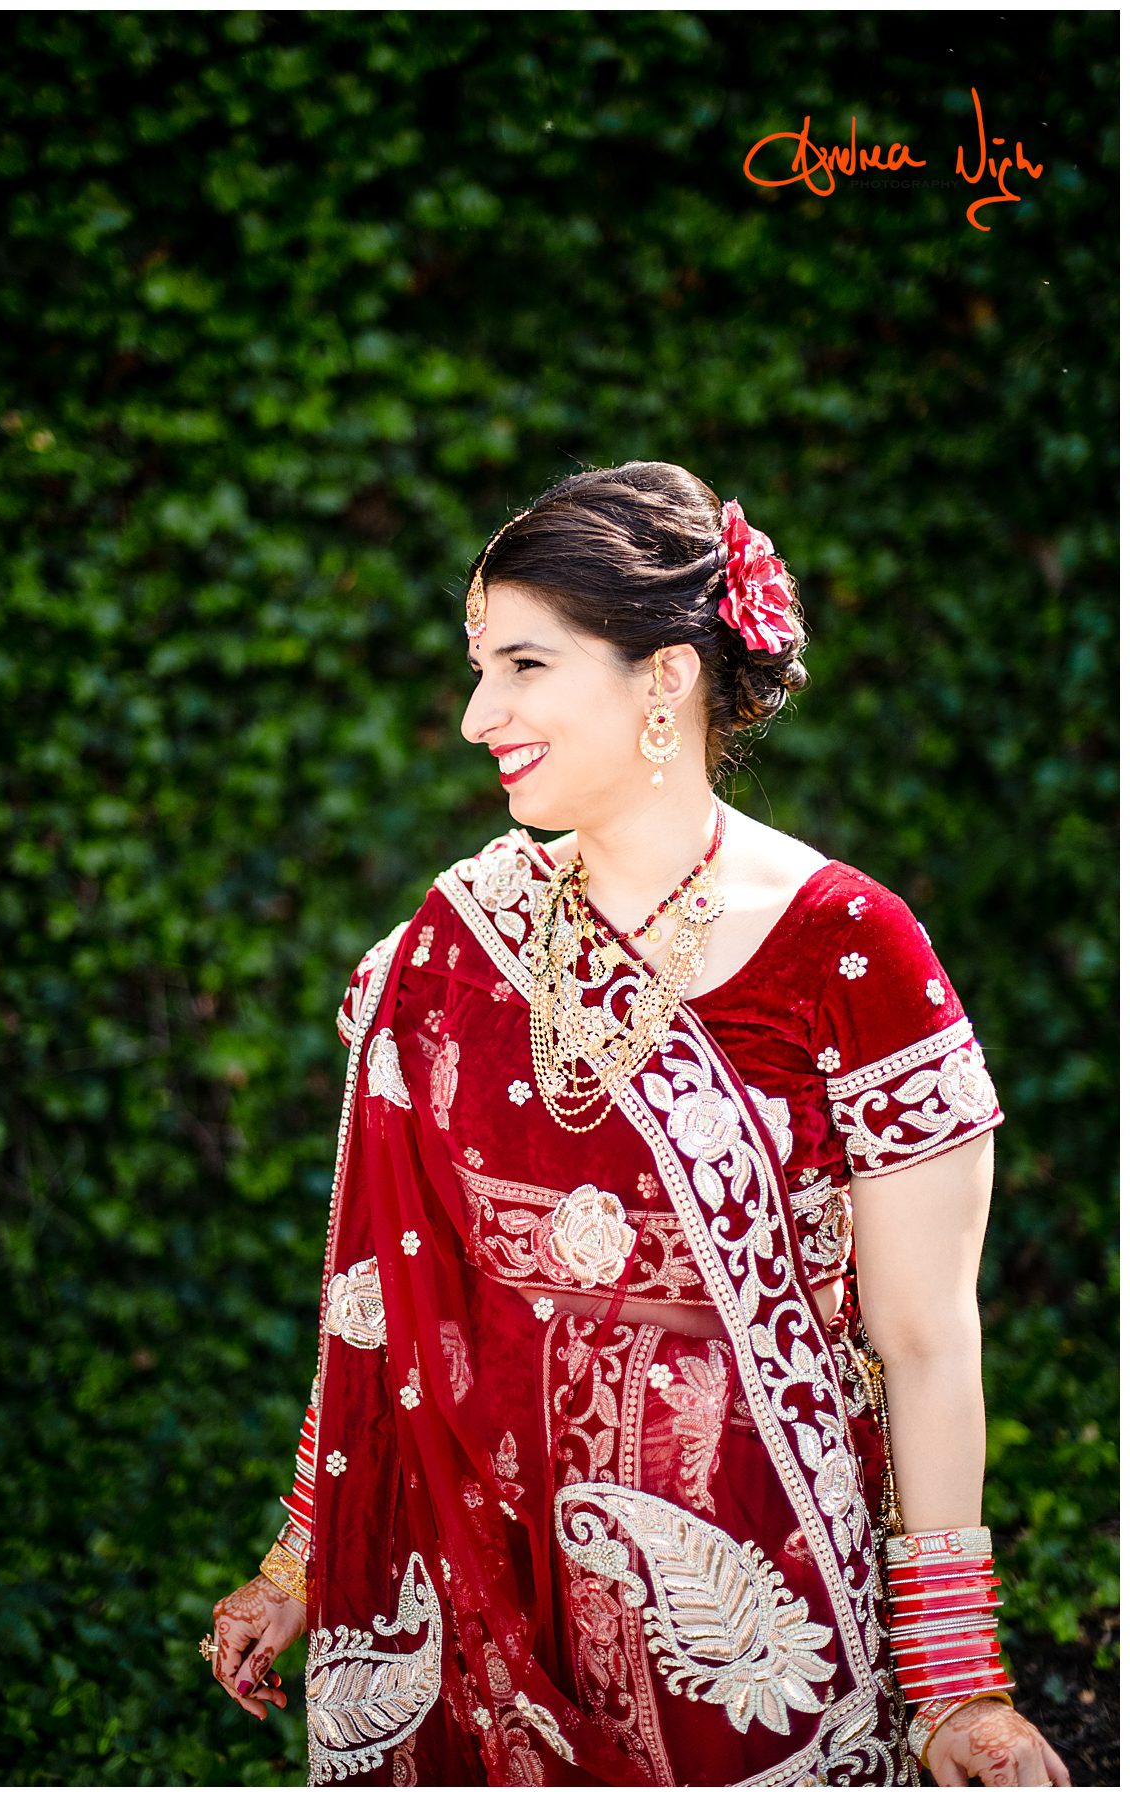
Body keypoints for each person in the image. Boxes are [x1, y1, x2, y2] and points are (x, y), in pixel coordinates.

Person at [204, 463, 1069, 1787]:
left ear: (664, 677)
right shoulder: (457, 944)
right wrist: (309, 1549)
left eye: (525, 666)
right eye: (480, 670)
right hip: (488, 1588)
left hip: (750, 1615)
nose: (477, 716)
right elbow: (388, 1288)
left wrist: (958, 1684)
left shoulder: (849, 951)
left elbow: (926, 1339)